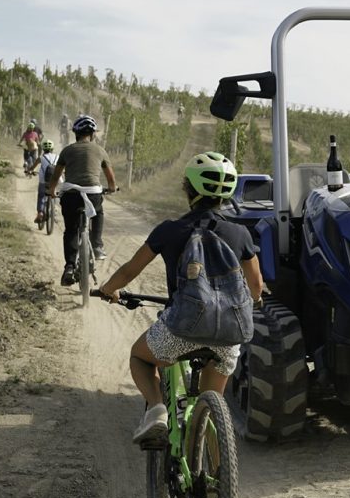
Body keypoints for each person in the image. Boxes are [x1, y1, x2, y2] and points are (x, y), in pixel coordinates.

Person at [97, 152, 263, 443]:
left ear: (189, 189)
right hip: (228, 334)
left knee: (140, 357)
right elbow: (256, 286)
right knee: (211, 408)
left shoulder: (170, 230)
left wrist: (108, 289)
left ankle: (157, 410)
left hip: (182, 327)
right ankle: (215, 474)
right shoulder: (240, 234)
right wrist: (256, 301)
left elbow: (129, 270)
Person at [47, 115, 117, 286]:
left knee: (71, 230)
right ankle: (97, 245)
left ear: (76, 134)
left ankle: (70, 267)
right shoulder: (100, 151)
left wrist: (51, 190)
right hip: (93, 194)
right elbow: (110, 178)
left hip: (71, 195)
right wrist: (112, 188)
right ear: (92, 134)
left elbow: (56, 175)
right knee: (98, 212)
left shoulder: (67, 150)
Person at [30, 139, 60, 224]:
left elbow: (33, 167)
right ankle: (55, 210)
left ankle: (40, 213)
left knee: (41, 195)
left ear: (43, 149)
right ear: (52, 149)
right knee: (55, 193)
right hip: (55, 180)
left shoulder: (41, 157)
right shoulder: (57, 157)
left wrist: (30, 170)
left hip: (44, 180)